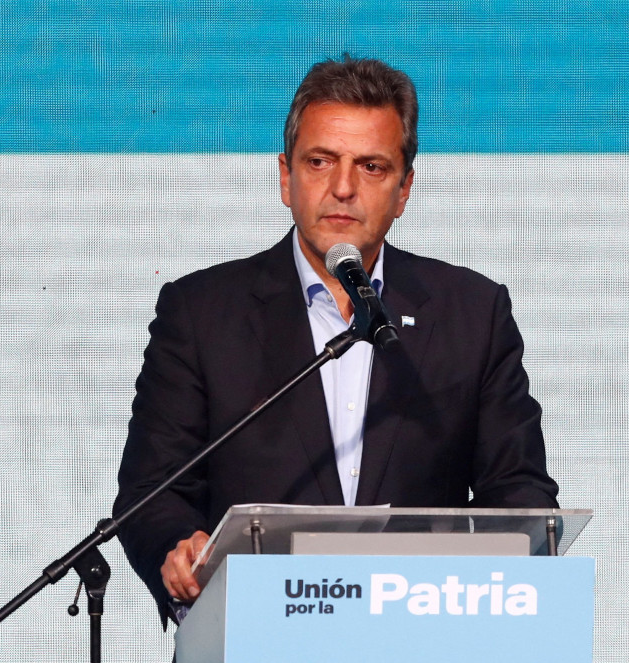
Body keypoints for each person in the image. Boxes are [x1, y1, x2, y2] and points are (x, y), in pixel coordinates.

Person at [114, 57, 559, 627]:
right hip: (253, 633)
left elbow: (517, 488)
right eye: (320, 161)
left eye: (371, 166)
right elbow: (152, 491)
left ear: (404, 189)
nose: (343, 187)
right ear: (285, 177)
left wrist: (525, 561)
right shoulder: (201, 313)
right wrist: (176, 547)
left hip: (422, 634)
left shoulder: (471, 313)